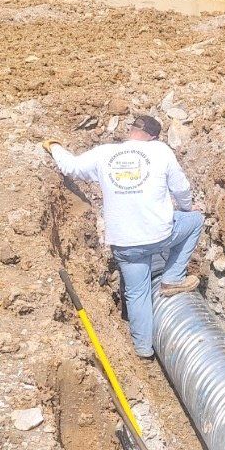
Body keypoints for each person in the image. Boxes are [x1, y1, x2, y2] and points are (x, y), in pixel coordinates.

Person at [43, 114, 203, 360]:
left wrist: (54, 147)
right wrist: (185, 207)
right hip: (159, 236)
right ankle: (172, 278)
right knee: (195, 221)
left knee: (137, 293)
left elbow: (71, 167)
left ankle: (143, 349)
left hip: (124, 244)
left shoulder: (104, 153)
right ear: (153, 136)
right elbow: (181, 188)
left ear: (131, 131)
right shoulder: (160, 151)